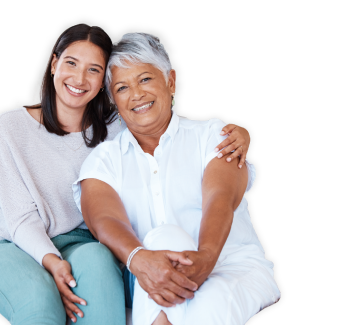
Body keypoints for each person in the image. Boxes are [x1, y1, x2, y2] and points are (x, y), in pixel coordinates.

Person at [0, 24, 251, 325]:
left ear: (105, 83)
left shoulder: (118, 127)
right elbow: (18, 219)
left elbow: (167, 123)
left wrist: (239, 133)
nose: (79, 79)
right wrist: (52, 262)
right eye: (71, 63)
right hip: (18, 242)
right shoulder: (9, 127)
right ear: (54, 64)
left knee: (100, 278)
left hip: (87, 243)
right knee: (40, 306)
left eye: (93, 70)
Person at [73, 32, 280, 325]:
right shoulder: (104, 160)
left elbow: (220, 196)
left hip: (230, 268)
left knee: (206, 304)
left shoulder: (213, 136)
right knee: (162, 240)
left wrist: (206, 257)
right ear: (112, 100)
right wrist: (139, 259)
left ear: (170, 81)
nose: (136, 94)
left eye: (145, 79)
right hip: (152, 278)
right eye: (122, 87)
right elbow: (104, 219)